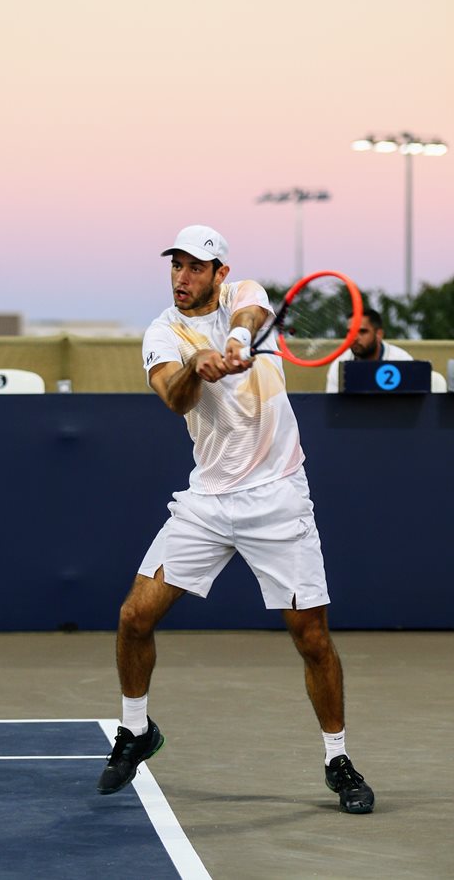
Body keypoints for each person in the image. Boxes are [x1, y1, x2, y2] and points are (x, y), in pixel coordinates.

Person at [96, 225, 374, 815]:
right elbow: (173, 397)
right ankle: (136, 730)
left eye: (195, 267)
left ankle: (338, 760)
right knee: (134, 617)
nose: (182, 277)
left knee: (312, 638)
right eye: (176, 265)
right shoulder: (162, 331)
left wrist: (239, 341)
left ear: (219, 272)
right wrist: (197, 365)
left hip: (278, 497)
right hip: (208, 502)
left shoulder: (245, 294)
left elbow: (249, 314)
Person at [326, 308, 413, 393]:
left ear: (379, 334)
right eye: (350, 332)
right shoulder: (339, 365)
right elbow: (333, 402)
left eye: (362, 331)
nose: (355, 338)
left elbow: (411, 401)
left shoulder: (402, 361)